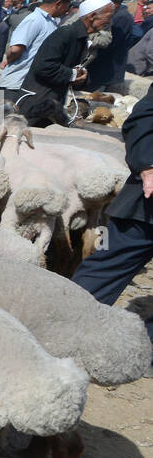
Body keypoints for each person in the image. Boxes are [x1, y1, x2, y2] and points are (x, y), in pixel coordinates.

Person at [71, 91, 153, 357]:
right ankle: (61, 333)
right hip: (146, 205)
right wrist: (148, 165)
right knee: (102, 271)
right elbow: (142, 118)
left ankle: (144, 354)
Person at [17, 0, 116, 126]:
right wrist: (74, 74)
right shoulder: (65, 34)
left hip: (51, 103)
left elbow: (70, 72)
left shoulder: (81, 39)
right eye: (108, 17)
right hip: (36, 102)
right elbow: (43, 67)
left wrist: (81, 78)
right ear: (92, 16)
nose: (109, 22)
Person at [0, 0, 78, 102]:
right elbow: (15, 50)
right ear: (58, 4)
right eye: (67, 6)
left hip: (28, 86)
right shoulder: (35, 19)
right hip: (16, 85)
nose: (67, 10)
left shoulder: (50, 22)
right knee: (6, 119)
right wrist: (7, 60)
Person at [87, 0, 137, 93]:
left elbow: (112, 42)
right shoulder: (116, 15)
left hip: (108, 67)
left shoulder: (122, 17)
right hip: (103, 66)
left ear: (114, 3)